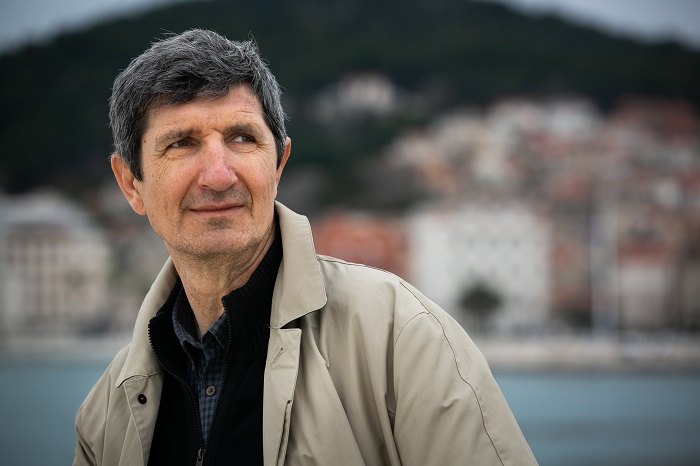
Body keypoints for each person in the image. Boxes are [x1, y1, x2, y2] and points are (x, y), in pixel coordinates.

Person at [74, 29, 538, 466]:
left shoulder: (400, 337)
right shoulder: (108, 411)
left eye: (242, 138)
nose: (218, 175)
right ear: (130, 183)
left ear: (278, 166)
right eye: (181, 143)